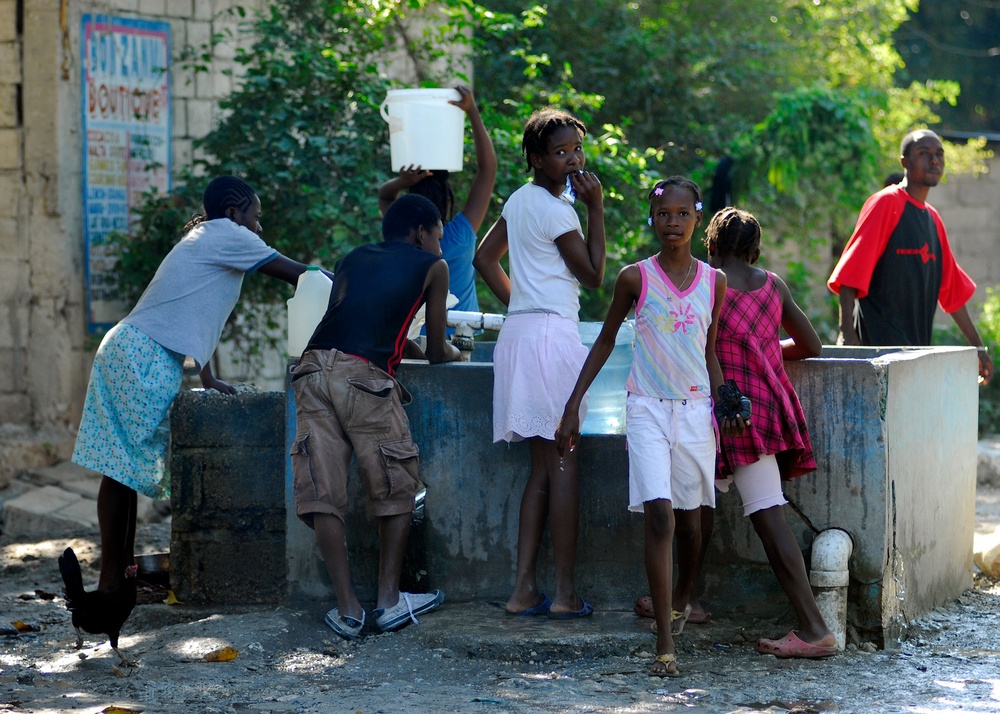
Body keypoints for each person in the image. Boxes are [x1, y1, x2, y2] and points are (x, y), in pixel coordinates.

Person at [73, 175, 317, 600]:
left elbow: (192, 307)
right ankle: (112, 584)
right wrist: (357, 282)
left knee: (122, 473)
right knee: (119, 474)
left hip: (128, 349)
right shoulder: (227, 232)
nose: (259, 228)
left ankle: (121, 580)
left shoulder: (206, 236)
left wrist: (206, 375)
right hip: (141, 356)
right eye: (256, 218)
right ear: (234, 213)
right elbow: (301, 276)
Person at [556, 176, 730, 677]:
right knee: (660, 516)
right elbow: (606, 340)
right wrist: (574, 403)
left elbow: (710, 351)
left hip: (696, 409)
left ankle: (682, 597)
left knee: (693, 523)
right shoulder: (635, 278)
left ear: (697, 218)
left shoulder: (712, 282)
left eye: (681, 214)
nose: (671, 223)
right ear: (651, 220)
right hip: (647, 407)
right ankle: (664, 642)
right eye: (662, 214)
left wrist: (725, 402)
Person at [290, 194, 462, 640]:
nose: (440, 249)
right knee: (394, 480)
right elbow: (440, 350)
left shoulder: (353, 257)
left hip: (312, 368)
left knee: (321, 489)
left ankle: (348, 610)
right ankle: (388, 602)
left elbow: (360, 321)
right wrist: (456, 351)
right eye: (438, 238)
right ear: (422, 231)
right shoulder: (433, 268)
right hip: (363, 377)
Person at [473, 108, 605, 621]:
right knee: (565, 464)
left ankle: (523, 589)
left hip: (520, 334)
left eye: (577, 149)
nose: (573, 159)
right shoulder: (558, 210)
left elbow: (487, 260)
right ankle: (566, 594)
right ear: (535, 158)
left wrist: (519, 302)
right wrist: (596, 208)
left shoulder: (518, 200)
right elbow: (594, 277)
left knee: (540, 471)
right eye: (560, 151)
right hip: (551, 336)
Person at [704, 206, 838, 659]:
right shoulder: (772, 285)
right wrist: (765, 347)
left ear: (713, 245)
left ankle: (814, 628)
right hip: (766, 407)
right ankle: (686, 601)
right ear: (756, 249)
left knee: (748, 511)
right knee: (711, 500)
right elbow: (811, 346)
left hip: (730, 411)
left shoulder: (708, 283)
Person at [828, 129, 992, 385]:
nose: (934, 160)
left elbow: (952, 292)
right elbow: (850, 275)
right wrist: (848, 338)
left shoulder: (933, 219)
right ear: (904, 162)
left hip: (913, 357)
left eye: (939, 154)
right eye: (923, 153)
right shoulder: (885, 203)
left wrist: (978, 348)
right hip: (875, 356)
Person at [378, 85, 497, 316]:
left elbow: (384, 195)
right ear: (447, 200)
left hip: (412, 340)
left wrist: (402, 181)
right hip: (464, 334)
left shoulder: (403, 235)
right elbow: (488, 170)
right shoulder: (460, 235)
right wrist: (471, 111)